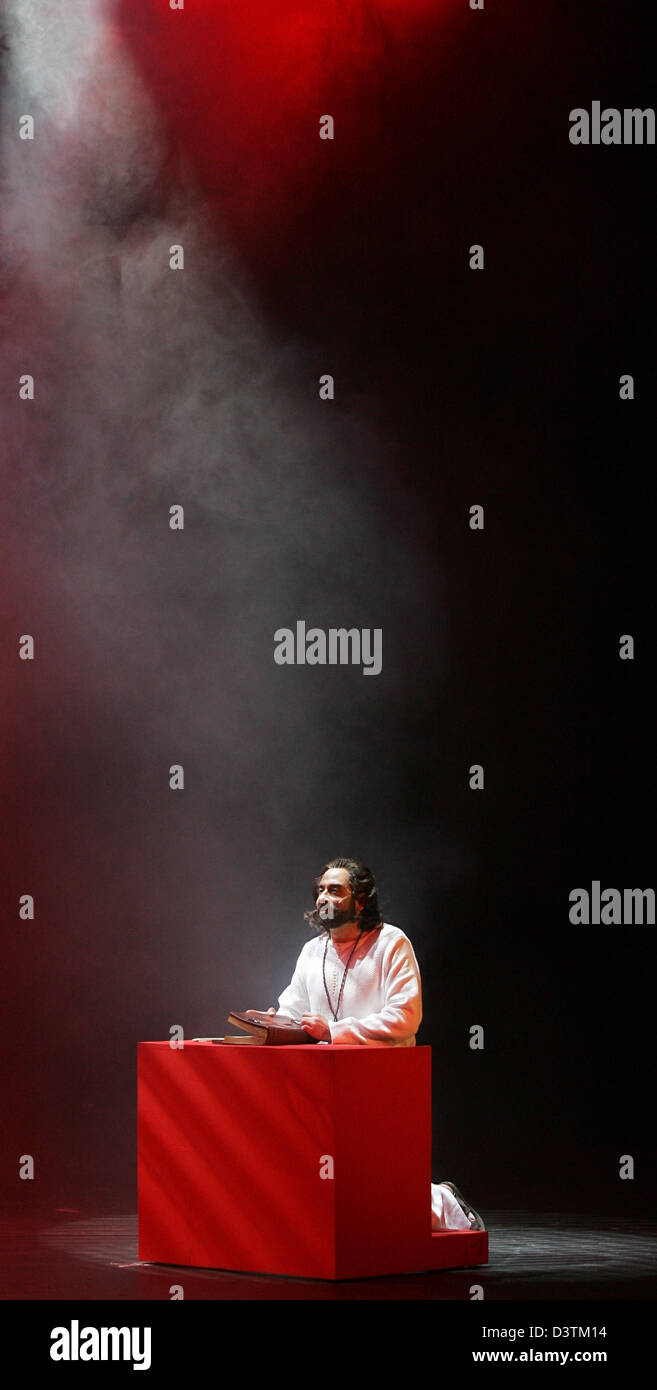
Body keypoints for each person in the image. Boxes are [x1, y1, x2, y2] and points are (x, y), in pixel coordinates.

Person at [251, 857, 484, 1232]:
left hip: (383, 1076)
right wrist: (271, 1020)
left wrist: (335, 1031)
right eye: (321, 890)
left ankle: (441, 1200)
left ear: (360, 900)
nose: (325, 897)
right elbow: (295, 1007)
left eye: (336, 890)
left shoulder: (391, 943)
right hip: (324, 1080)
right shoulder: (313, 950)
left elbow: (406, 1016)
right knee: (341, 1180)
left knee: (381, 1185)